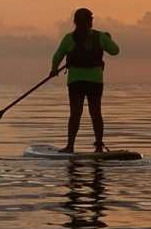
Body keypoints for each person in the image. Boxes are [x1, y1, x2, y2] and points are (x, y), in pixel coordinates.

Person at [51, 8, 120, 153]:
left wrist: (54, 69)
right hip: (94, 81)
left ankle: (70, 146)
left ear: (75, 22)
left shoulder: (69, 38)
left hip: (76, 82)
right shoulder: (100, 37)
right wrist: (109, 39)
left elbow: (57, 56)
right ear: (91, 22)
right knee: (96, 113)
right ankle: (99, 146)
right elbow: (115, 51)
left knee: (75, 114)